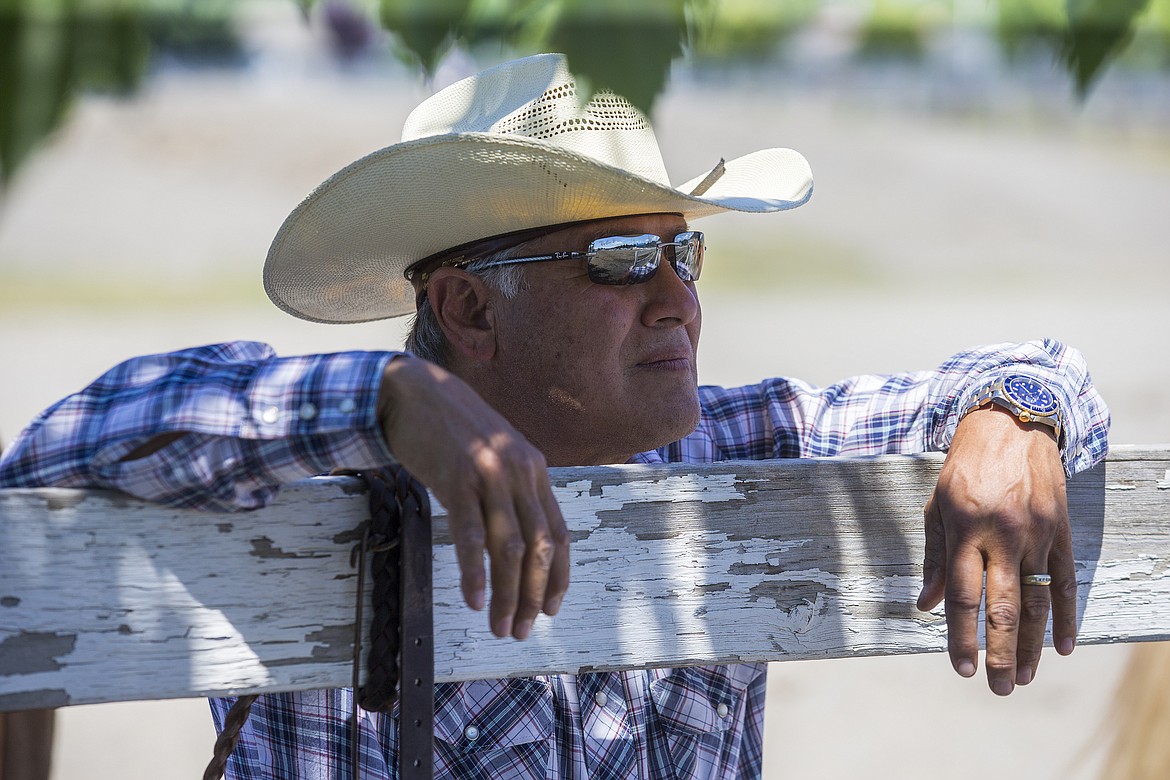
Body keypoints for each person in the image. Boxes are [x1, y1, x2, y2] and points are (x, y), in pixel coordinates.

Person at [0, 53, 1110, 779]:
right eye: (625, 258)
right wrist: (383, 399)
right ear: (468, 306)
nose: (680, 295)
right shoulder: (320, 474)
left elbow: (1044, 369)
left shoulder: (729, 442)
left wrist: (1012, 420)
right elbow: (57, 453)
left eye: (685, 248)